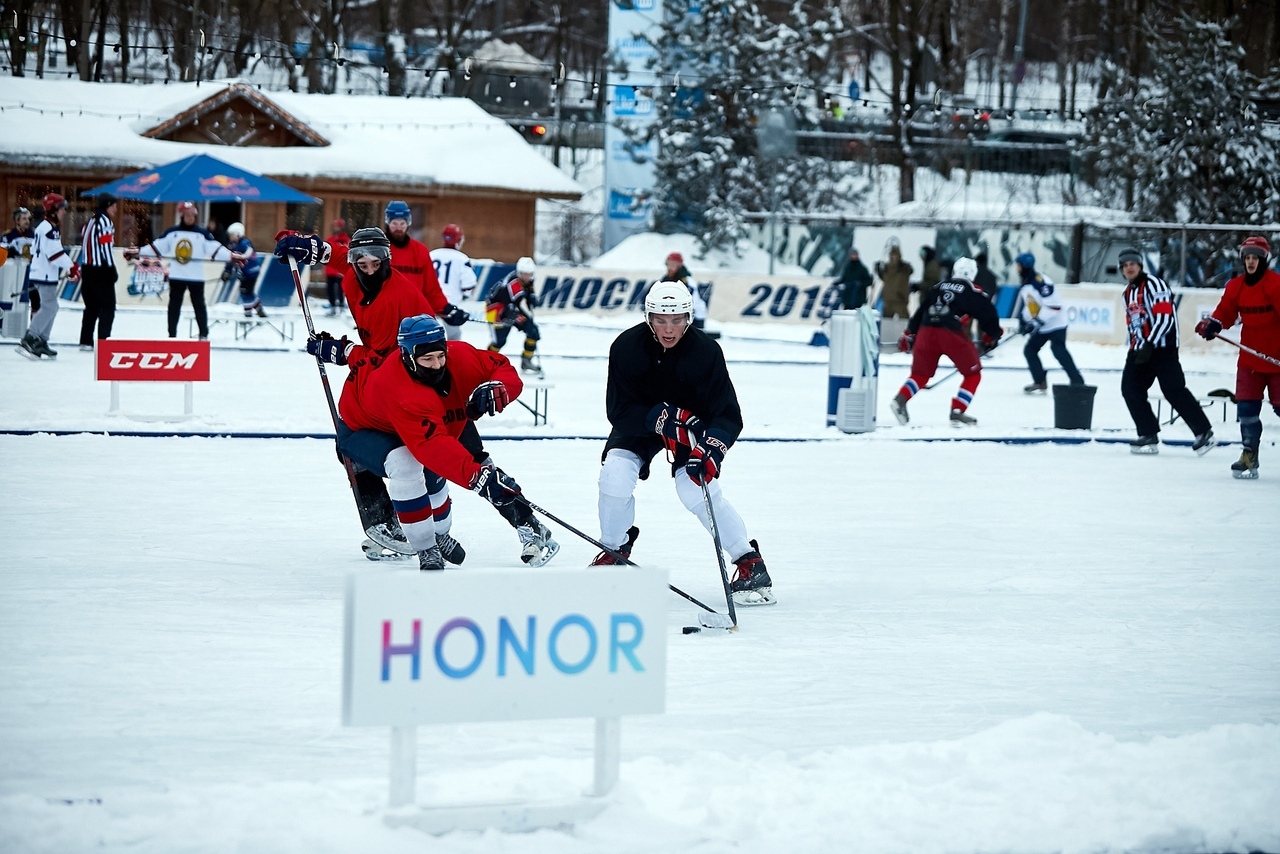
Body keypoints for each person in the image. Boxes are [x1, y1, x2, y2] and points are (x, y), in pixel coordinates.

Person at [277, 227, 460, 563]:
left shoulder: (399, 299)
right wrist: (304, 244)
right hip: (374, 381)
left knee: (364, 445)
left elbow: (395, 362)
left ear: (388, 260)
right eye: (363, 264)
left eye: (378, 263)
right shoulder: (352, 277)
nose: (371, 269)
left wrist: (344, 351)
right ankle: (404, 524)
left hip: (404, 384)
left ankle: (409, 525)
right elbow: (338, 255)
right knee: (359, 445)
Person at [591, 281, 774, 606]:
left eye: (677, 320)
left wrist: (713, 447)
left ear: (689, 318)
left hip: (692, 428)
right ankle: (613, 549)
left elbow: (728, 414)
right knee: (615, 474)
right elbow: (617, 410)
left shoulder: (706, 351)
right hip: (640, 423)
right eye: (660, 319)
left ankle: (749, 563)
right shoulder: (625, 347)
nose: (669, 328)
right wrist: (659, 419)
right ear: (648, 317)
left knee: (694, 488)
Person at [341, 314, 559, 569]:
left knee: (476, 463)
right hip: (368, 427)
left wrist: (499, 388)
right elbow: (433, 448)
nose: (437, 365)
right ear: (407, 357)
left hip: (435, 414)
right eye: (427, 359)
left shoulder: (460, 356)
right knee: (408, 465)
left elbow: (501, 365)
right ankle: (425, 544)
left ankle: (527, 524)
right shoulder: (399, 388)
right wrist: (478, 479)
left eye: (441, 356)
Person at [1195, 236, 1280, 478]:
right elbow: (1226, 311)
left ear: (1264, 260)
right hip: (1250, 361)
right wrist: (1213, 324)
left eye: (1256, 258)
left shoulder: (1275, 285)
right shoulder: (1236, 286)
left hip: (1277, 359)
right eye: (1247, 258)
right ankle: (1249, 453)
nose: (1251, 262)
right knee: (1246, 409)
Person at [1117, 247, 1215, 456]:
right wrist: (1137, 347)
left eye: (1132, 263)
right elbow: (1134, 323)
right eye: (1125, 266)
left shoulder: (1154, 284)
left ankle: (1204, 432)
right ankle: (1148, 433)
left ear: (1140, 265)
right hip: (1140, 349)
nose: (1129, 268)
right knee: (1130, 389)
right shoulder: (1127, 293)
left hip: (1162, 348)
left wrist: (1150, 343)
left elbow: (1165, 317)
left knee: (1173, 389)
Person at [889, 258, 1002, 427]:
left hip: (926, 332)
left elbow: (920, 312)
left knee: (920, 374)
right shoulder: (973, 290)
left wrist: (909, 334)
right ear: (973, 274)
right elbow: (988, 314)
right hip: (950, 334)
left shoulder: (938, 287)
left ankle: (900, 400)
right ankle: (958, 410)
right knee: (973, 373)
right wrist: (992, 335)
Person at [125, 201, 239, 339]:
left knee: (199, 305)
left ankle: (203, 334)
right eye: (187, 214)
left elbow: (215, 249)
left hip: (196, 277)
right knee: (174, 306)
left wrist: (231, 256)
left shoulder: (202, 234)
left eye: (192, 215)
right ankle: (172, 335)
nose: (190, 217)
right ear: (182, 215)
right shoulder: (172, 232)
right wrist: (139, 252)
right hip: (177, 276)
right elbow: (156, 248)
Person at [383, 200, 467, 333]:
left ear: (408, 223)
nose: (398, 227)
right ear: (388, 223)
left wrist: (447, 309)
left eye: (402, 223)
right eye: (394, 223)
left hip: (415, 319)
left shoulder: (420, 251)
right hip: (386, 317)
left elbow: (431, 289)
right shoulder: (380, 250)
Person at [1013, 251, 1084, 393]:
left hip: (1056, 323)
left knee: (1058, 350)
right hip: (1043, 325)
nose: (1016, 268)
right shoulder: (1027, 284)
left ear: (1024, 266)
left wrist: (1035, 322)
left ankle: (1077, 381)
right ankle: (1040, 381)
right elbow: (1032, 306)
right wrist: (1024, 321)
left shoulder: (1040, 282)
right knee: (1030, 350)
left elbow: (1054, 306)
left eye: (1018, 265)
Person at [20, 193, 78, 359]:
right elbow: (54, 254)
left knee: (52, 306)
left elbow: (37, 251)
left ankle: (41, 340)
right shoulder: (50, 229)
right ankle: (31, 337)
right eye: (62, 209)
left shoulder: (43, 227)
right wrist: (72, 266)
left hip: (42, 272)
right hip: (44, 274)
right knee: (50, 306)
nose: (64, 212)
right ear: (53, 210)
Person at [486, 255, 544, 377]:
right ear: (519, 272)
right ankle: (487, 363)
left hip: (513, 310)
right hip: (497, 311)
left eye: (529, 274)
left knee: (533, 331)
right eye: (524, 274)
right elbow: (516, 301)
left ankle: (526, 361)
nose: (527, 277)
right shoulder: (513, 283)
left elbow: (525, 298)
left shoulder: (528, 282)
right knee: (499, 341)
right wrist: (523, 311)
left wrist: (532, 299)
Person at [77, 192, 118, 350]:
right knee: (108, 307)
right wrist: (111, 268)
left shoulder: (91, 221)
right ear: (107, 205)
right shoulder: (105, 221)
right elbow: (105, 246)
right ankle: (103, 342)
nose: (115, 208)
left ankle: (85, 341)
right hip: (100, 270)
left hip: (87, 269)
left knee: (91, 308)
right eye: (113, 205)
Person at [430, 223, 478, 340]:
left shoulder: (431, 255)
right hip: (449, 307)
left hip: (429, 303)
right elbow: (469, 285)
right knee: (454, 338)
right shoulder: (462, 259)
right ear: (459, 239)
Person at [223, 222, 265, 318]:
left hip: (251, 272)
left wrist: (243, 272)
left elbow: (248, 257)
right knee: (246, 292)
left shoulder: (245, 244)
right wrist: (227, 271)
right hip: (245, 273)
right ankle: (259, 309)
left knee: (246, 292)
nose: (230, 237)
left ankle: (248, 314)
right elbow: (232, 260)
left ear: (239, 234)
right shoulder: (234, 245)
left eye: (232, 235)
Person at [2, 207, 37, 323]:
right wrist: (10, 253)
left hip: (33, 273)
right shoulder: (8, 236)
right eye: (24, 219)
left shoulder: (35, 235)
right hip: (14, 276)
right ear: (17, 221)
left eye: (28, 218)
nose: (27, 221)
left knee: (37, 301)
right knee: (8, 300)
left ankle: (34, 329)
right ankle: (4, 324)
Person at [662, 251, 708, 329]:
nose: (669, 268)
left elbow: (687, 301)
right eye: (668, 264)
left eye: (672, 265)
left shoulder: (687, 281)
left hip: (695, 316)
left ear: (679, 266)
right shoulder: (666, 279)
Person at [874, 245, 912, 318]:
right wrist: (878, 269)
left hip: (900, 299)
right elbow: (884, 278)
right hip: (888, 300)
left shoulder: (904, 268)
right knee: (886, 322)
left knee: (904, 320)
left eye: (895, 255)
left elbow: (910, 271)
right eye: (892, 255)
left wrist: (902, 265)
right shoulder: (887, 267)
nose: (893, 257)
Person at [323, 218, 349, 317]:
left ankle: (341, 306)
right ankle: (332, 306)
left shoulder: (345, 239)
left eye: (337, 226)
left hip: (339, 270)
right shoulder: (330, 239)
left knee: (340, 288)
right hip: (330, 269)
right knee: (329, 288)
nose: (335, 228)